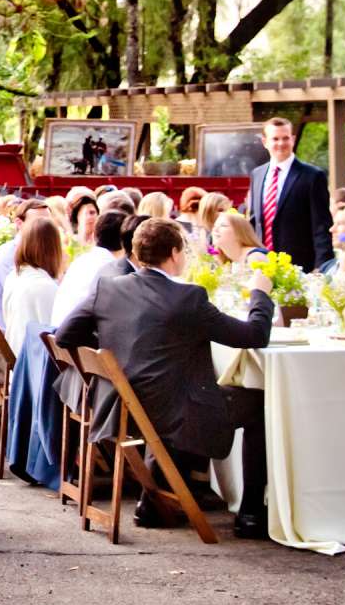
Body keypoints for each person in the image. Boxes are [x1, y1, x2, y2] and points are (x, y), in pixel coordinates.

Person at [54, 219, 276, 537]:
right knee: (256, 401)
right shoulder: (188, 298)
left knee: (174, 390)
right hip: (170, 413)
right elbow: (255, 334)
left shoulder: (109, 288)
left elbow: (65, 335)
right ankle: (252, 512)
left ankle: (154, 501)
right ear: (174, 254)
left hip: (121, 409)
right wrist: (260, 294)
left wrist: (117, 352)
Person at [247, 117, 333, 271]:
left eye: (285, 138)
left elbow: (321, 226)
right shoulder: (257, 174)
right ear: (265, 142)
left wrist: (322, 267)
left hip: (300, 266)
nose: (281, 144)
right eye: (275, 139)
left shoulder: (313, 176)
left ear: (293, 140)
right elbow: (254, 222)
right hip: (263, 265)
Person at [0, 198, 51, 335]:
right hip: (1, 338)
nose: (46, 229)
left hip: (8, 332)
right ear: (19, 223)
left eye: (49, 224)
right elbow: (24, 297)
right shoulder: (8, 256)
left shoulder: (33, 253)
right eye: (38, 223)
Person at [53, 210, 131, 335]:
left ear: (94, 235)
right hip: (79, 345)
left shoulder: (80, 261)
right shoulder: (113, 271)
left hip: (60, 342)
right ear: (126, 242)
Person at [1, 217, 67, 354]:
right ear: (53, 250)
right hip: (35, 366)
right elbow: (58, 340)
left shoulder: (14, 277)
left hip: (16, 361)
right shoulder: (44, 287)